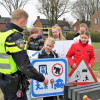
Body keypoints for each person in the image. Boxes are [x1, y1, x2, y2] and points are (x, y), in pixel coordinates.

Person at [0, 9, 48, 100]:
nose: (25, 25)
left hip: (4, 80)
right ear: (22, 21)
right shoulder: (15, 37)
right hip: (13, 82)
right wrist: (42, 78)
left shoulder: (2, 34)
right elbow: (24, 65)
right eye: (26, 23)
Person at [27, 27, 44, 100]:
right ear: (30, 34)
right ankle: (29, 95)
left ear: (38, 33)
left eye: (36, 33)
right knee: (30, 77)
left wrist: (41, 46)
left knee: (38, 76)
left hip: (38, 61)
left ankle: (39, 95)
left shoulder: (41, 40)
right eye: (33, 33)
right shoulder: (29, 41)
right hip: (31, 61)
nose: (34, 34)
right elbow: (27, 49)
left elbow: (42, 49)